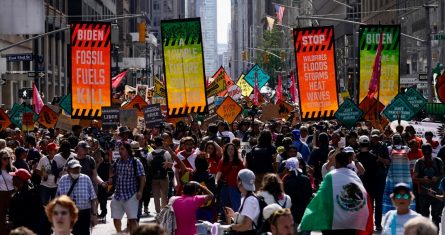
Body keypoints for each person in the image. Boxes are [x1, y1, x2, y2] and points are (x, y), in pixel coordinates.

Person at [300, 152, 371, 235]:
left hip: (333, 222)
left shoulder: (330, 175)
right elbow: (363, 194)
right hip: (350, 222)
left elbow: (321, 195)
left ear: (336, 162)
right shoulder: (354, 175)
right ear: (348, 161)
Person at [110, 142, 146, 234]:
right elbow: (111, 174)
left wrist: (140, 191)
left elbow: (142, 177)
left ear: (128, 150)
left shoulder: (135, 162)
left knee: (132, 220)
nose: (120, 151)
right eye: (119, 149)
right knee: (116, 218)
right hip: (118, 195)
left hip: (131, 195)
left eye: (122, 149)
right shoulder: (117, 161)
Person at [57, 159, 98, 235]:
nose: (76, 170)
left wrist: (94, 215)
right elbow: (58, 199)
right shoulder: (63, 180)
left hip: (84, 213)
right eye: (74, 168)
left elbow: (93, 198)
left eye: (78, 168)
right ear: (68, 170)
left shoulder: (86, 179)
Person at [413, 143, 444, 228]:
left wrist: (437, 178)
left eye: (429, 153)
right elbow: (414, 178)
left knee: (436, 218)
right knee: (424, 219)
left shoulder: (438, 161)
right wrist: (423, 179)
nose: (427, 155)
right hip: (424, 194)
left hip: (437, 194)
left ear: (431, 152)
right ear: (422, 152)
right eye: (425, 153)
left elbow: (443, 175)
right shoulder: (419, 162)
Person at [383, 134, 415, 214]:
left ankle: (406, 211)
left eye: (398, 138)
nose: (396, 140)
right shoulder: (389, 149)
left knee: (405, 194)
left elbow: (412, 162)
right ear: (392, 140)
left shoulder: (407, 149)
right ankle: (393, 213)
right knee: (394, 194)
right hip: (394, 176)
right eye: (395, 138)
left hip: (405, 177)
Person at [225, 169, 260, 234]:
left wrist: (231, 227)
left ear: (240, 182)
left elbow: (245, 226)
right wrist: (233, 215)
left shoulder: (250, 200)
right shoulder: (246, 197)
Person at [282, 157, 312, 234]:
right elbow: (309, 194)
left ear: (288, 168)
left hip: (292, 215)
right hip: (305, 213)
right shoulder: (306, 178)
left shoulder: (286, 180)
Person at [8, 168, 44, 233]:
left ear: (20, 180)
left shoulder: (29, 195)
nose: (12, 179)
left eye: (14, 177)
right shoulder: (19, 194)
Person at [215, 143, 244, 219]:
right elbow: (219, 172)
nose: (230, 151)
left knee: (235, 204)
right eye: (228, 149)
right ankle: (226, 220)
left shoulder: (238, 162)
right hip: (225, 186)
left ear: (235, 151)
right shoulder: (222, 161)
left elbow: (242, 173)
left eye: (232, 149)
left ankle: (236, 219)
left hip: (235, 186)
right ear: (225, 151)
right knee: (225, 204)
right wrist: (216, 181)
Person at [147, 136, 173, 213]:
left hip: (154, 177)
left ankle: (157, 212)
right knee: (164, 195)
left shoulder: (150, 154)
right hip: (164, 176)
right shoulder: (166, 153)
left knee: (156, 196)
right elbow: (171, 164)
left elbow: (149, 164)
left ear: (154, 144)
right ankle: (163, 212)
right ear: (162, 143)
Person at [0, 149, 14, 235]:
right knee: (1, 218)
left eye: (8, 158)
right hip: (1, 196)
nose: (7, 160)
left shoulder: (13, 169)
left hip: (12, 195)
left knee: (12, 217)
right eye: (4, 158)